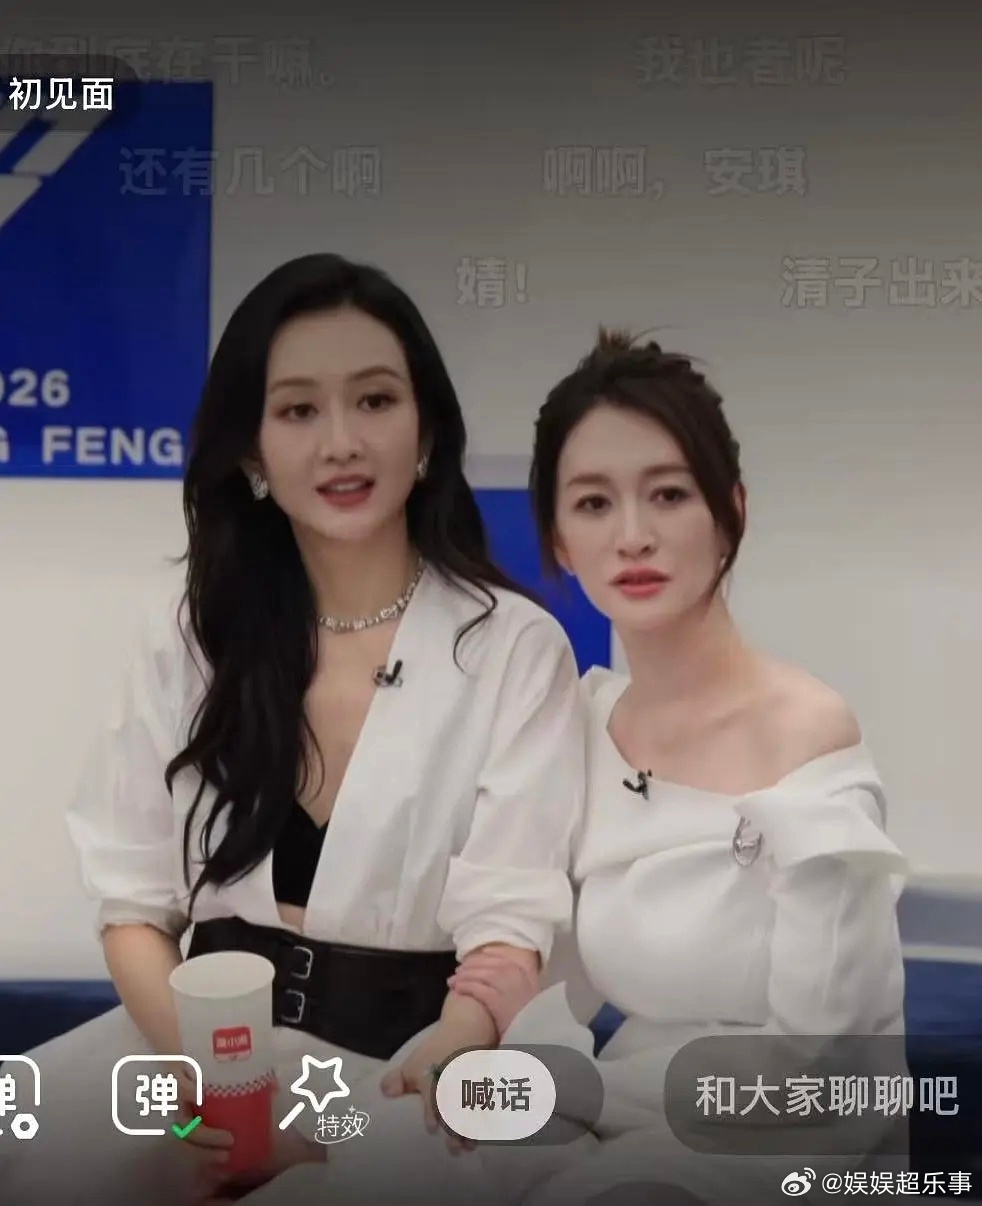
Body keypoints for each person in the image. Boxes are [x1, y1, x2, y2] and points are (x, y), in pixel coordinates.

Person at [238, 327, 909, 1205]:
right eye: (593, 504)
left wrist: (566, 1091)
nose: (633, 536)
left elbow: (827, 1074)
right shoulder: (582, 723)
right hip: (621, 1118)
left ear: (732, 511)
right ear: (557, 540)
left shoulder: (805, 737)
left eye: (668, 495)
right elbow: (542, 976)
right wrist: (463, 1063)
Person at [1, 255, 586, 1205]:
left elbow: (509, 923)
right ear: (251, 455)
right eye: (299, 410)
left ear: (427, 433)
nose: (341, 443)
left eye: (375, 401)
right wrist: (217, 1094)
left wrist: (450, 1049)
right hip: (200, 1063)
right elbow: (134, 908)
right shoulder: (193, 637)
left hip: (412, 1074)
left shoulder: (513, 648)